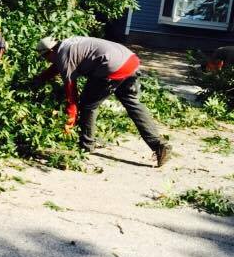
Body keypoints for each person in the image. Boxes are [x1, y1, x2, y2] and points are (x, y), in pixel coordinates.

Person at [32, 35, 172, 166]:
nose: (46, 60)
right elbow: (58, 67)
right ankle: (159, 145)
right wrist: (39, 79)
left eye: (45, 57)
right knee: (133, 104)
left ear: (50, 51)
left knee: (87, 105)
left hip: (111, 68)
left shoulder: (63, 56)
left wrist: (71, 118)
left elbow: (71, 94)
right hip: (130, 60)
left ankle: (86, 146)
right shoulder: (69, 44)